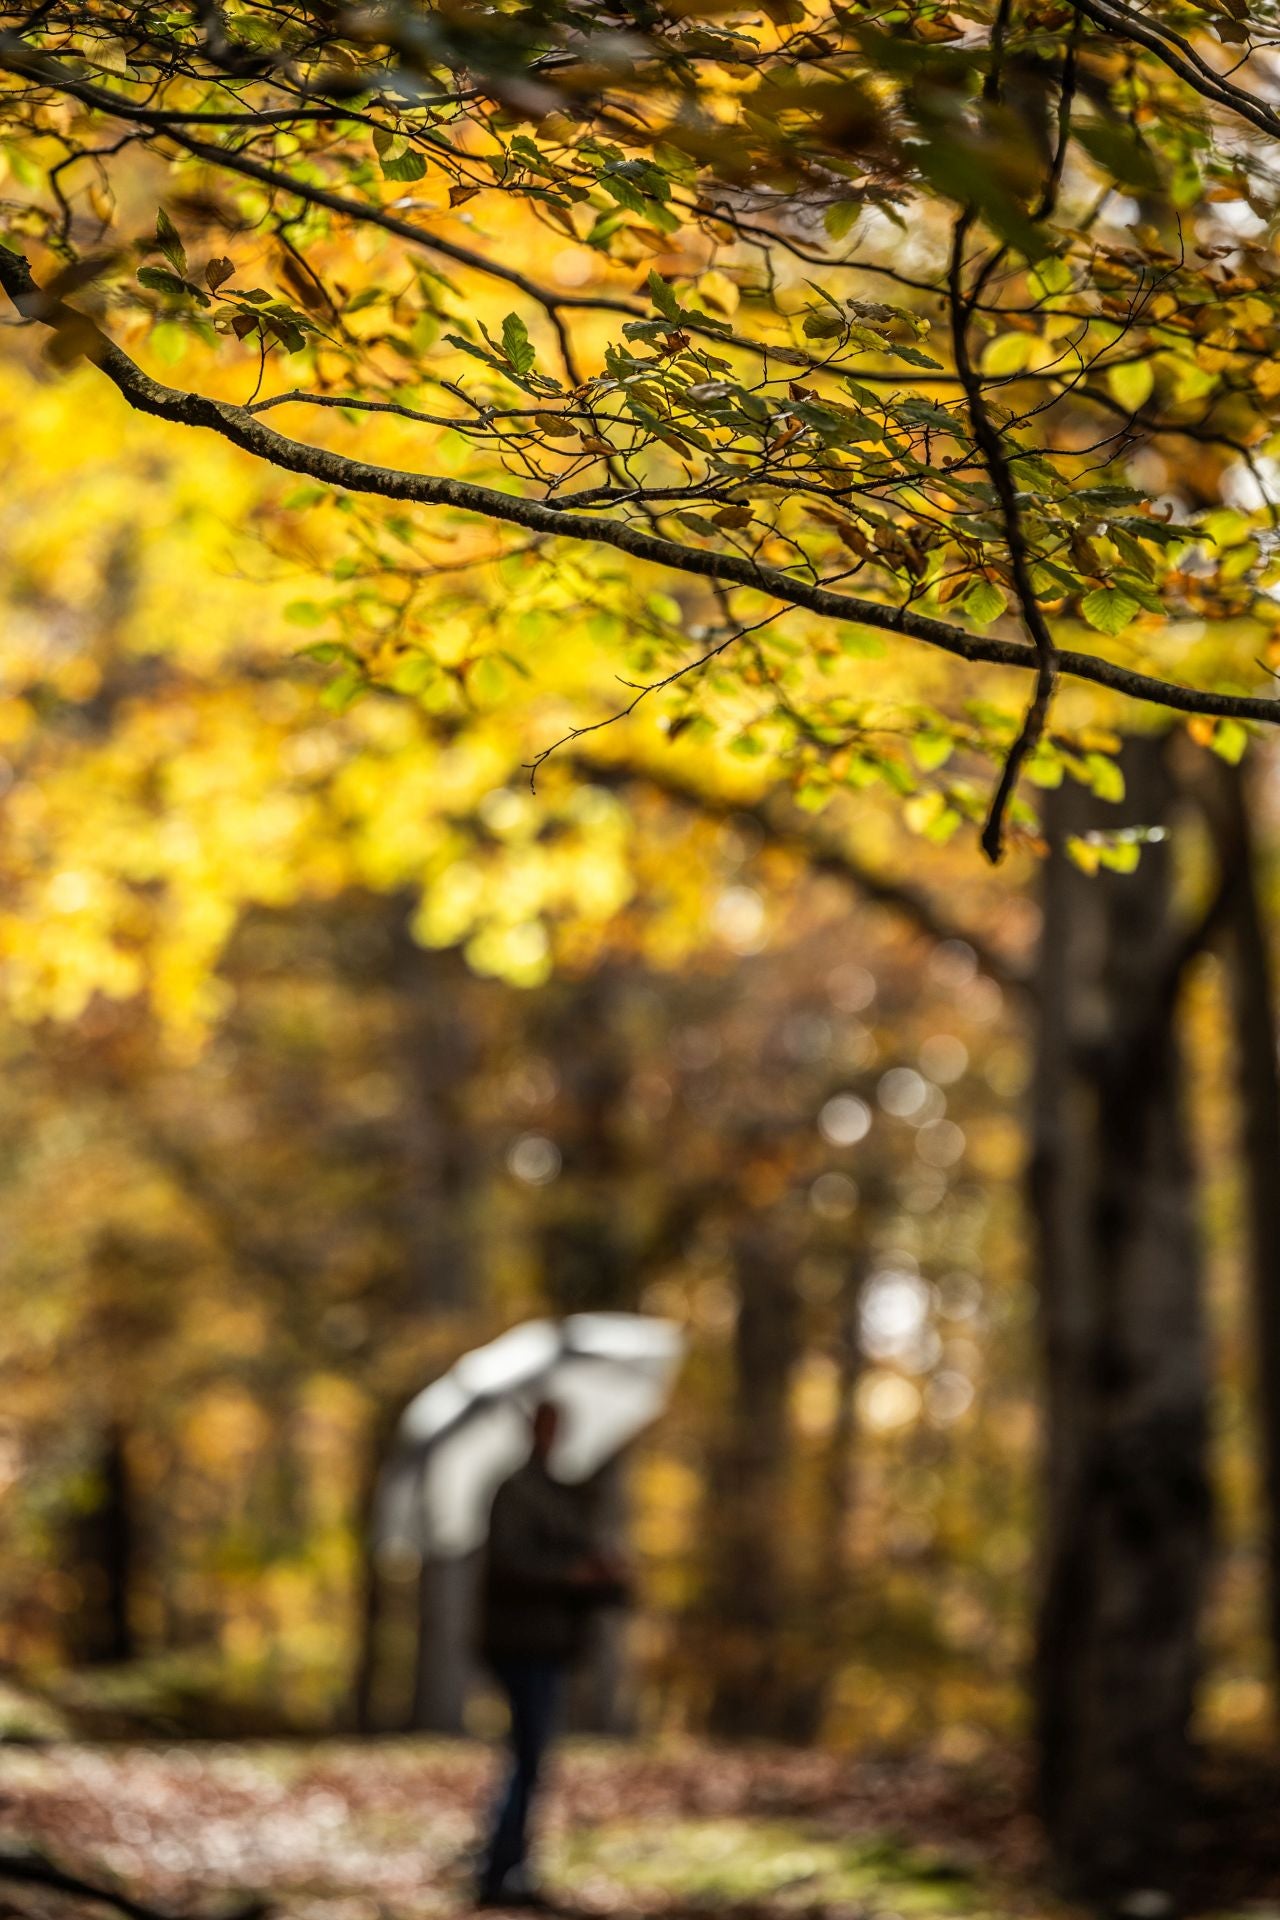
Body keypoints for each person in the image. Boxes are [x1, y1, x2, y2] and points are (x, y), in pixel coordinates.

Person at [475, 1400, 626, 1910]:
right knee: (527, 1756)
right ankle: (498, 1869)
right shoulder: (514, 1490)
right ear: (531, 1428)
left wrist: (601, 1576)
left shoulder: (563, 1494)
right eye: (545, 1424)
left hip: (552, 1643)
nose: (552, 1435)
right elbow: (509, 1563)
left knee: (533, 1758)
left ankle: (510, 1864)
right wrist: (569, 1574)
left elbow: (574, 1561)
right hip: (520, 1642)